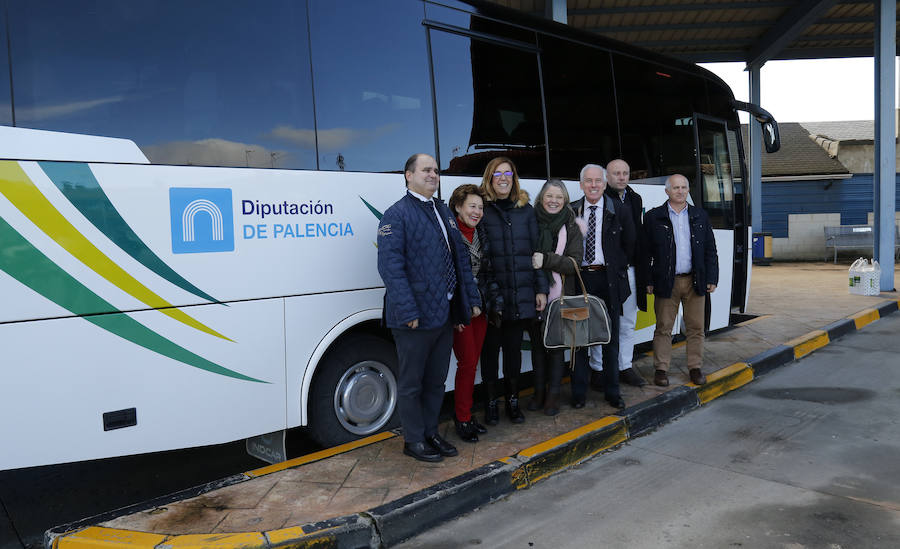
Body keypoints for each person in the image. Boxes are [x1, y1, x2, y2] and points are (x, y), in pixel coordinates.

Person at [377, 153, 481, 463]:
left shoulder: (442, 210)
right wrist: (408, 311)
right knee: (412, 384)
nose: (433, 174)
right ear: (408, 175)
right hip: (413, 318)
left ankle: (430, 432)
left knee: (436, 381)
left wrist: (469, 302)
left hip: (444, 315)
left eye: (436, 170)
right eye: (426, 170)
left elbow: (460, 260)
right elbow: (390, 267)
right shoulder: (396, 215)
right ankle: (413, 440)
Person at [478, 157, 548, 425]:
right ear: (490, 178)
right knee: (490, 354)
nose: (503, 178)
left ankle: (513, 402)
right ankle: (491, 403)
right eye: (497, 174)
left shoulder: (526, 211)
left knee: (513, 353)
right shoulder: (482, 209)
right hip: (493, 297)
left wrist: (540, 289)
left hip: (520, 294)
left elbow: (535, 253)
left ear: (514, 178)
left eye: (508, 173)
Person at [643, 174, 718, 387]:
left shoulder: (700, 215)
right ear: (667, 191)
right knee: (664, 327)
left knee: (696, 327)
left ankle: (695, 368)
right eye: (675, 187)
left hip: (696, 281)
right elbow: (645, 252)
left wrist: (712, 277)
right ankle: (661, 369)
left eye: (684, 187)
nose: (680, 191)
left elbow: (710, 249)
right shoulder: (653, 217)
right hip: (666, 281)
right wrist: (648, 280)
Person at [569, 164, 634, 410]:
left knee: (610, 339)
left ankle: (612, 391)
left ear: (605, 184)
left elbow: (630, 244)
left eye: (598, 181)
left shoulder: (619, 209)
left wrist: (616, 268)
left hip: (609, 281)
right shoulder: (572, 210)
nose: (594, 185)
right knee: (580, 339)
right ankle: (578, 393)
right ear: (581, 184)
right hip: (581, 281)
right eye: (589, 181)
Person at [448, 184, 504, 442]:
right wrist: (461, 310)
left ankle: (467, 415)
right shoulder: (449, 233)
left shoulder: (480, 232)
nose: (477, 212)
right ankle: (461, 419)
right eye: (472, 206)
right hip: (462, 308)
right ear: (458, 206)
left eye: (480, 207)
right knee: (467, 362)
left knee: (472, 363)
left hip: (481, 307)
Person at [528, 179, 583, 416]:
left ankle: (553, 395)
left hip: (562, 295)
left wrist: (547, 260)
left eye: (559, 197)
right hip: (532, 292)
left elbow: (574, 262)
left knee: (557, 347)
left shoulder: (571, 225)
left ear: (565, 201)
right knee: (538, 347)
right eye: (549, 196)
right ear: (541, 198)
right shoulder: (530, 220)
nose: (553, 201)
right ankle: (538, 391)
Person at [603, 158, 648, 387]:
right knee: (603, 323)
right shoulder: (600, 198)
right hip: (608, 271)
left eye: (625, 173)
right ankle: (599, 370)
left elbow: (638, 236)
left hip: (631, 269)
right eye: (616, 173)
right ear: (607, 176)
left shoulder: (635, 199)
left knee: (628, 322)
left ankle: (625, 367)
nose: (621, 177)